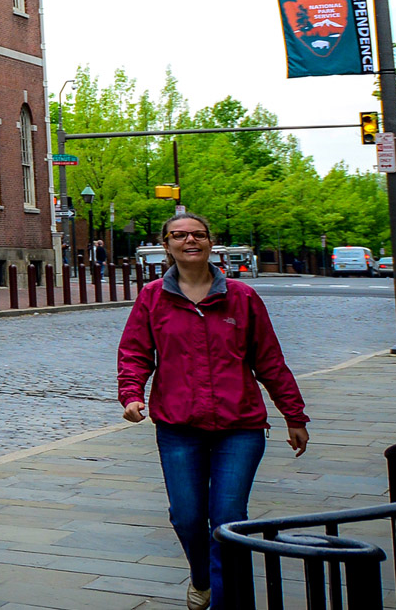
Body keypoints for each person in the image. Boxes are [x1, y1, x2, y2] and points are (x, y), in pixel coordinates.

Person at [117, 213, 308, 610]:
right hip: (178, 425)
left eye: (198, 235)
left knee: (227, 520)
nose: (190, 240)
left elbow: (269, 361)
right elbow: (135, 353)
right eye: (180, 235)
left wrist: (294, 416)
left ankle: (225, 601)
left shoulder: (242, 297)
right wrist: (131, 393)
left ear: (210, 243)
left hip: (239, 428)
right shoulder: (153, 297)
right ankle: (202, 577)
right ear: (166, 245)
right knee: (186, 516)